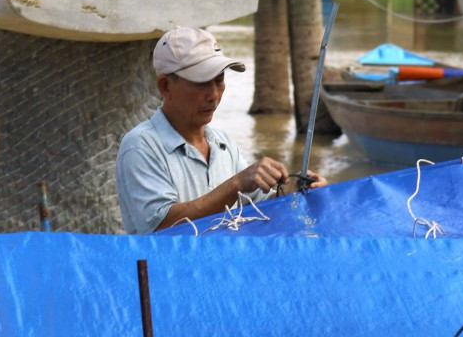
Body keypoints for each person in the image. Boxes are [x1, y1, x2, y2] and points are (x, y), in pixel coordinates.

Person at [117, 26, 324, 234]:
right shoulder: (141, 146)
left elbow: (257, 205)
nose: (214, 95)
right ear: (165, 86)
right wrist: (237, 183)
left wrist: (293, 190)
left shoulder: (222, 144)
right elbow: (161, 226)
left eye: (219, 81)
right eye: (201, 83)